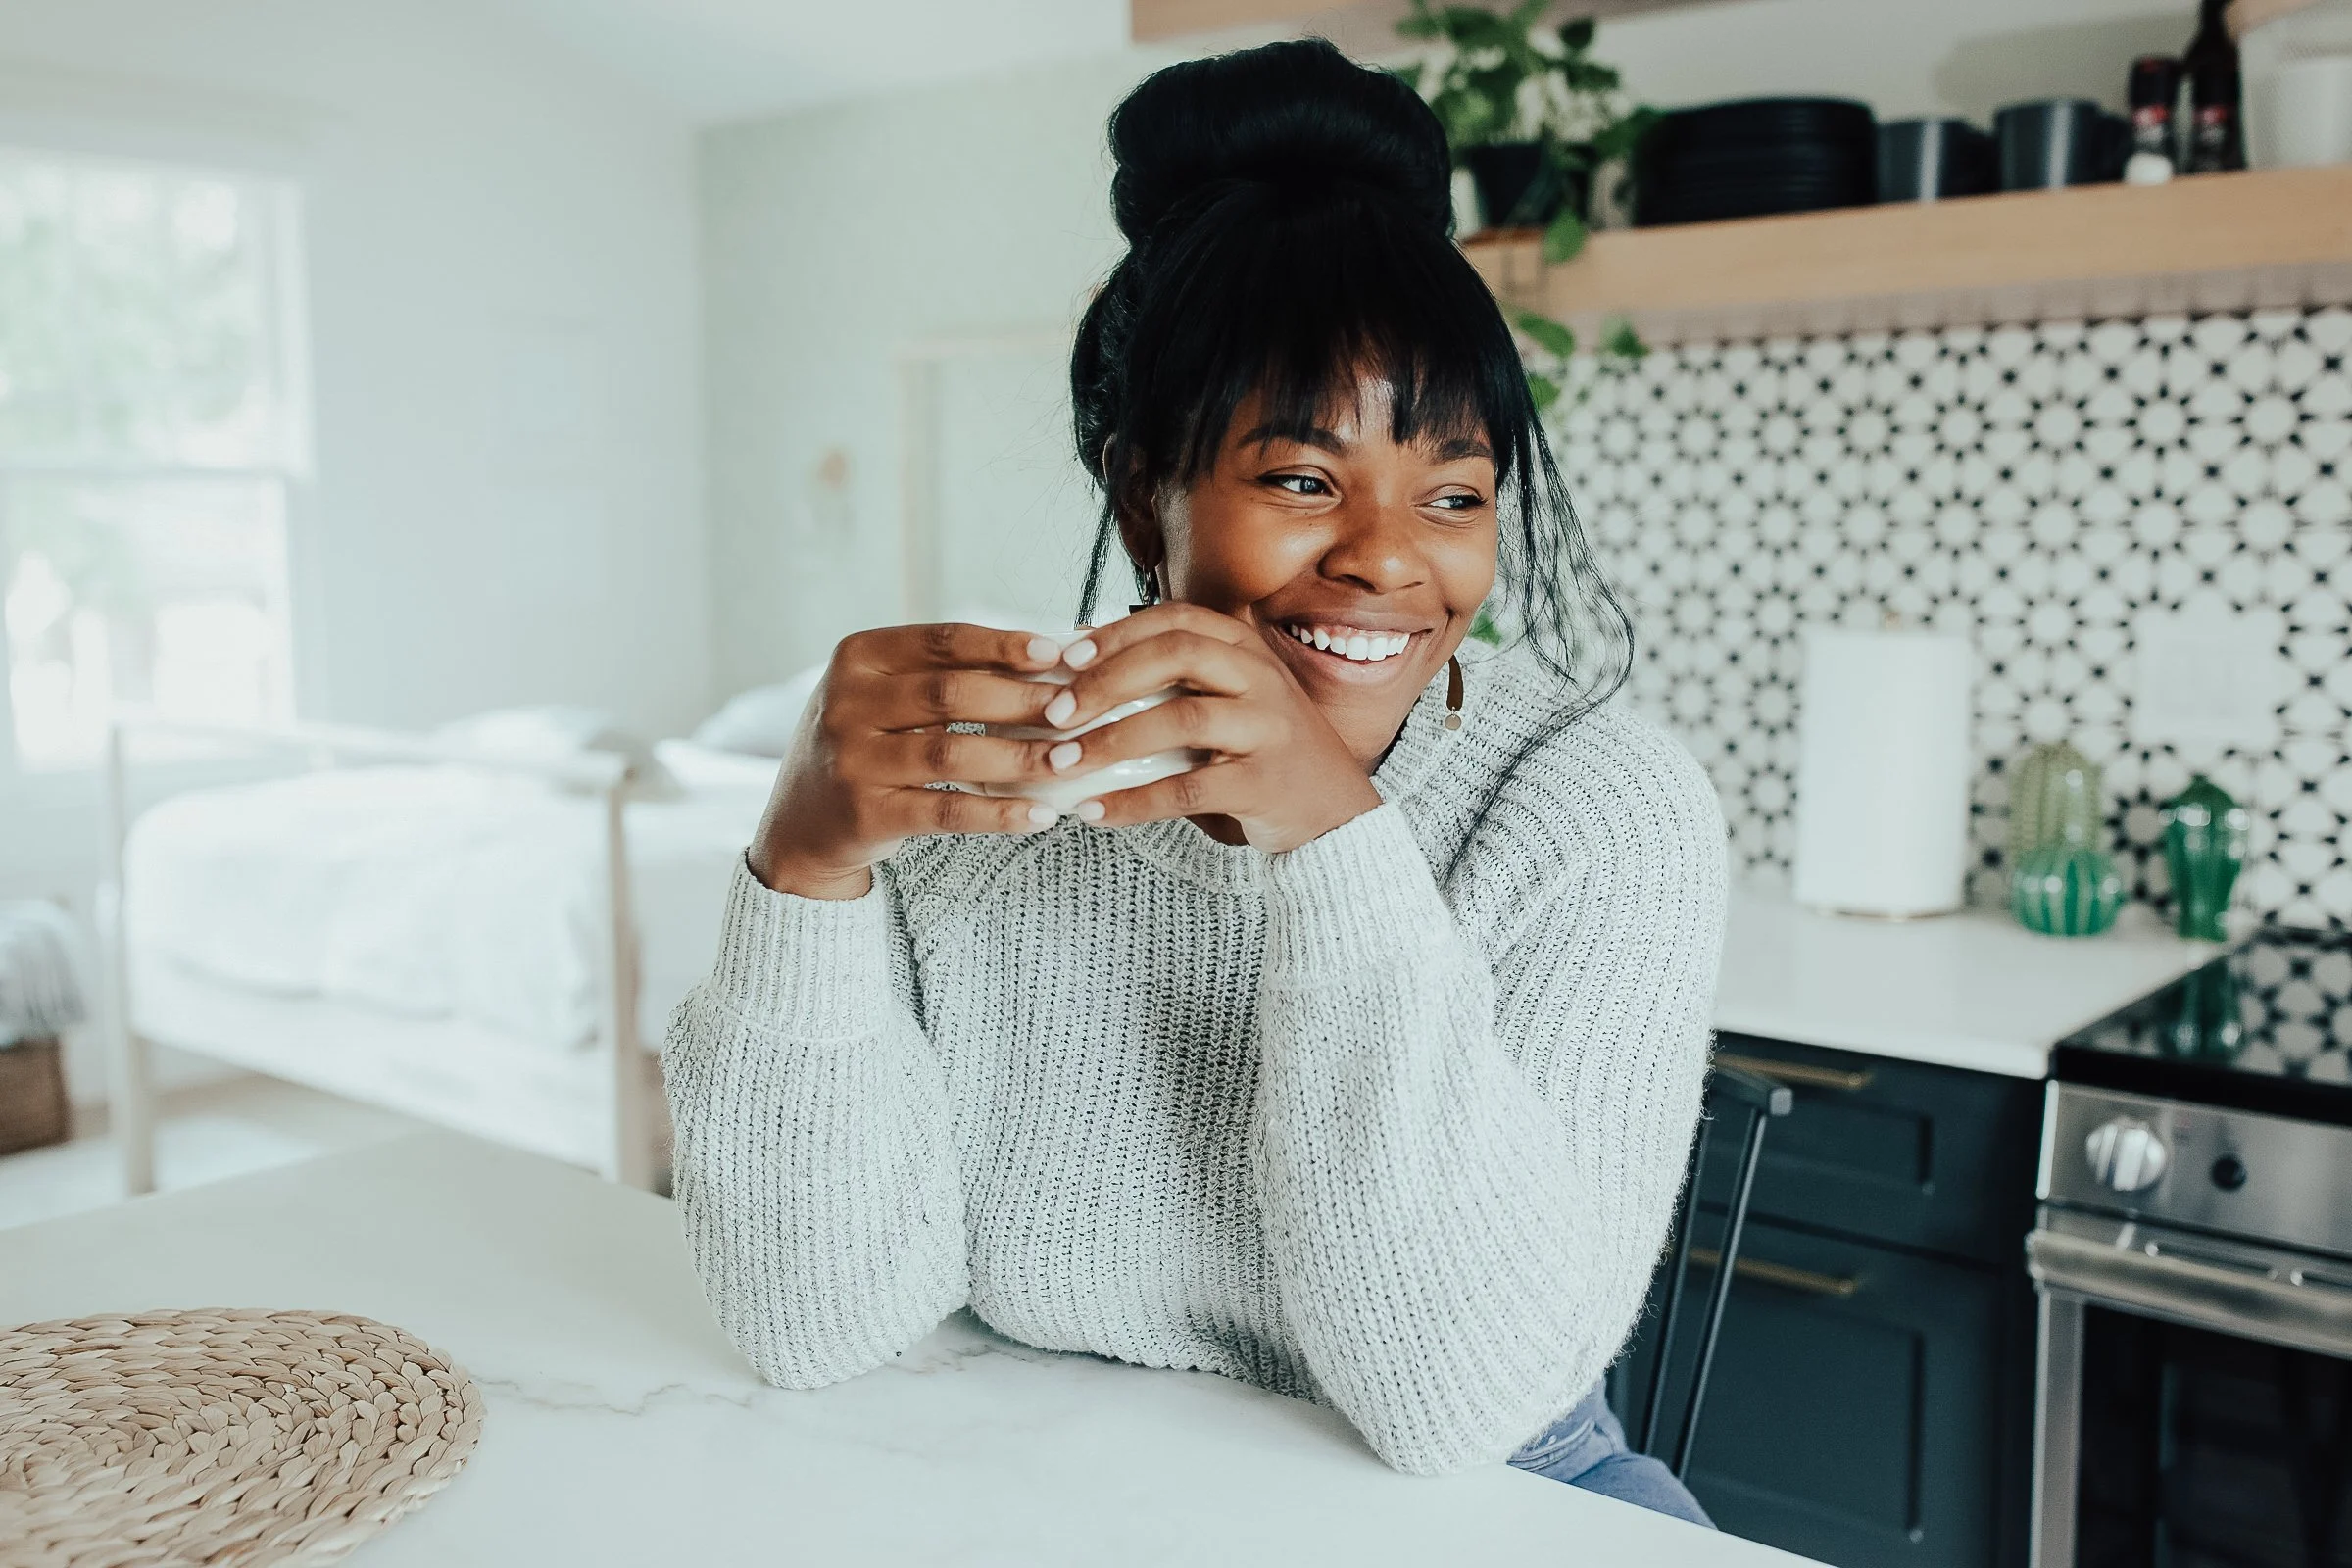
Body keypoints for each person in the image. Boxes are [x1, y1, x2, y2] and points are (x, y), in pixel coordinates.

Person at [663, 37, 1727, 1526]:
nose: (1388, 557)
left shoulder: (1597, 810)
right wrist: (803, 873)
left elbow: (1463, 1401)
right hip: (1068, 1475)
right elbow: (813, 1322)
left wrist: (1331, 838)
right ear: (1140, 491)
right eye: (1301, 479)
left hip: (1501, 1500)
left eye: (1456, 491)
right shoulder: (994, 806)